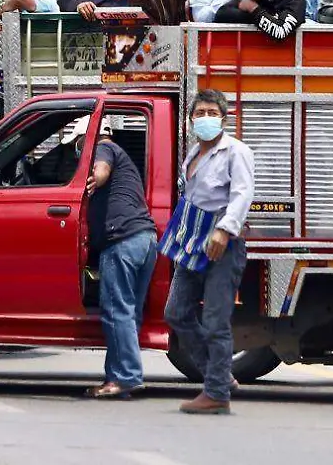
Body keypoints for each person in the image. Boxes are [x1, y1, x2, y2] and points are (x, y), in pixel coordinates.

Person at [165, 89, 255, 415]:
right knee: (175, 312)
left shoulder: (236, 152)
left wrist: (224, 229)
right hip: (192, 244)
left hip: (223, 244)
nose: (205, 118)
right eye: (199, 112)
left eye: (210, 112)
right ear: (191, 120)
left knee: (216, 321)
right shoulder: (193, 155)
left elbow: (243, 194)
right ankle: (218, 375)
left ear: (223, 118)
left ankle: (216, 394)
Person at [85, 120, 158, 401]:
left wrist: (92, 179)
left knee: (117, 311)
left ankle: (126, 376)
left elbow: (100, 171)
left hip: (123, 242)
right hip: (144, 239)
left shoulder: (104, 147)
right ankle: (117, 377)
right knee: (128, 314)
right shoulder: (123, 159)